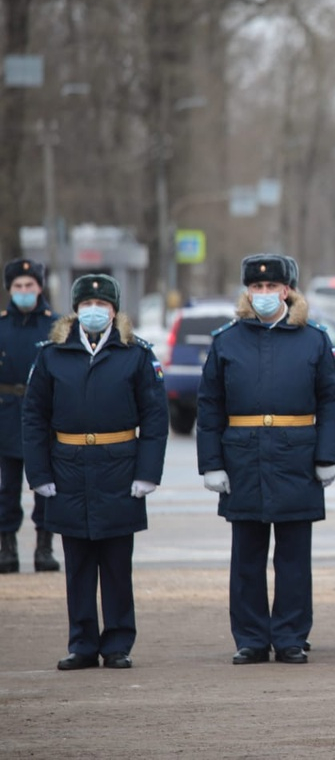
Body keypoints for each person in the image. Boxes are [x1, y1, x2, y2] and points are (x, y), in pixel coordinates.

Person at [197, 254, 335, 665]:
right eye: (257, 287)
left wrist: (326, 457)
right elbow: (210, 406)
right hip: (243, 456)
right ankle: (250, 637)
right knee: (247, 555)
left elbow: (333, 401)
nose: (264, 294)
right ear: (248, 291)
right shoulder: (227, 340)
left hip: (296, 456)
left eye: (272, 287)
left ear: (288, 290)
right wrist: (212, 462)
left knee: (294, 556)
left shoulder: (314, 339)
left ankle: (291, 636)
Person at [22, 273, 168, 669]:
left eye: (102, 305)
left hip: (119, 467)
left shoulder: (135, 355)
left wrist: (147, 473)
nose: (94, 311)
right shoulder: (52, 355)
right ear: (75, 310)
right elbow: (34, 418)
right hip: (68, 467)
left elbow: (155, 418)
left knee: (117, 564)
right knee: (79, 563)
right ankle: (82, 643)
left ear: (115, 310)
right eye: (86, 305)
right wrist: (39, 474)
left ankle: (118, 643)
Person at [0, 258, 59, 573]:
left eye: (30, 286)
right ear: (10, 289)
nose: (24, 291)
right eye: (18, 286)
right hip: (6, 413)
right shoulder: (2, 325)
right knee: (6, 487)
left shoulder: (56, 326)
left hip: (43, 415)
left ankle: (44, 546)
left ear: (40, 288)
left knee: (45, 485)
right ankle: (6, 546)